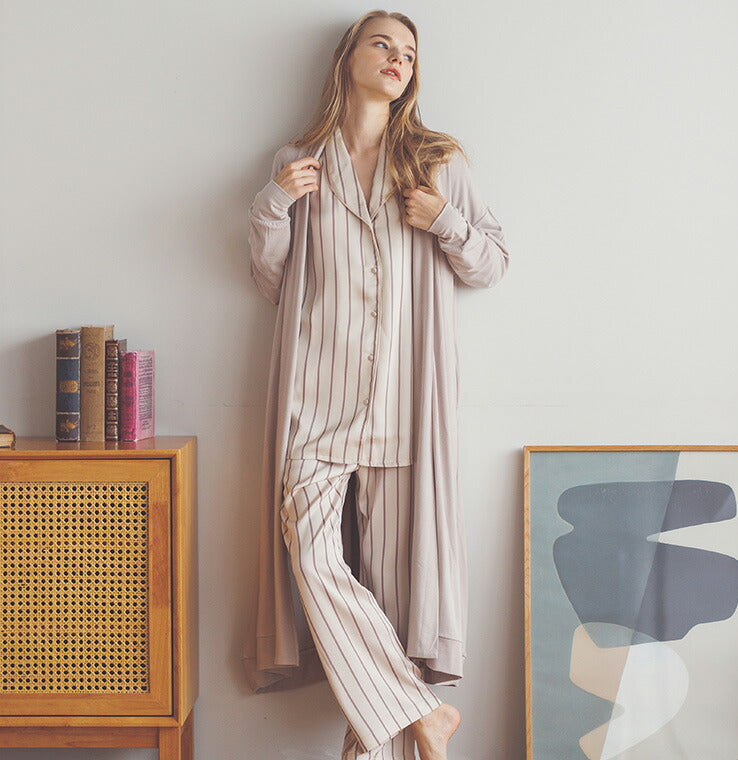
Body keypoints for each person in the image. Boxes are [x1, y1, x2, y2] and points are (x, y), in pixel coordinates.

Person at [243, 9, 509, 760]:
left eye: (408, 53)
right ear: (348, 57)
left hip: (402, 407)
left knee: (390, 607)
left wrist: (445, 220)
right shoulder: (298, 161)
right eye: (381, 44)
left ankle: (397, 734)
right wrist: (273, 203)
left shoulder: (436, 162)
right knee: (313, 558)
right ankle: (424, 713)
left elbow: (492, 263)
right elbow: (271, 282)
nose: (397, 58)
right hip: (316, 405)